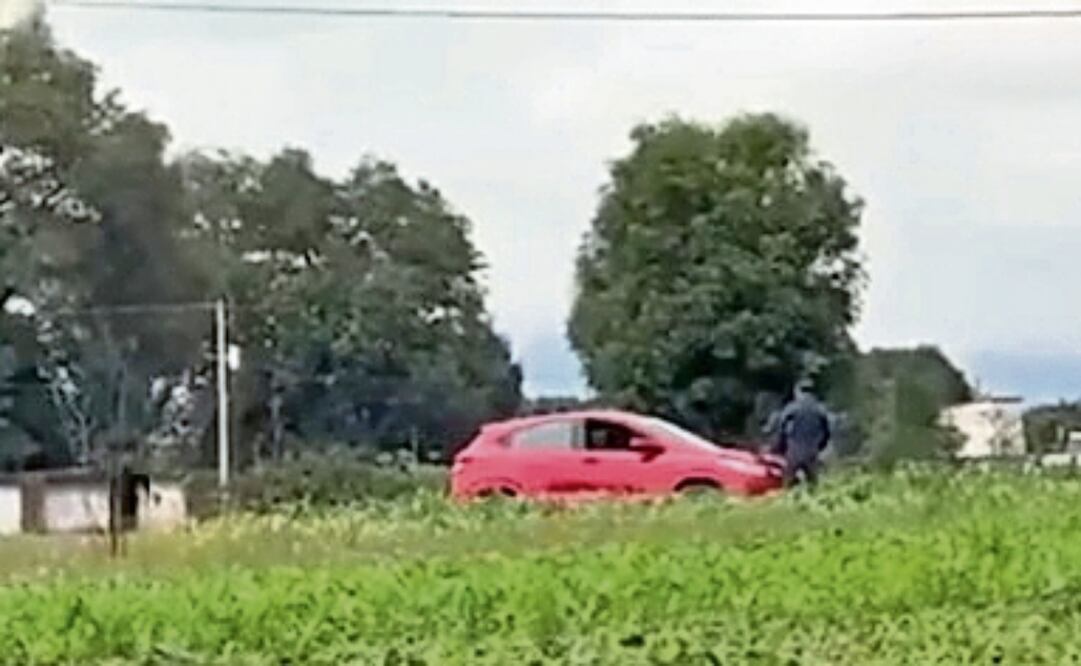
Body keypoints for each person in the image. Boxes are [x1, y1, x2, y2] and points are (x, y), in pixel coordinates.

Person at [774, 380, 831, 488]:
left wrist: (780, 447)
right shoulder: (820, 409)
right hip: (812, 451)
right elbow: (827, 432)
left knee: (787, 484)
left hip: (794, 450)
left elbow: (781, 428)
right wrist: (820, 446)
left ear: (798, 391)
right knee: (813, 485)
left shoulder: (792, 408)